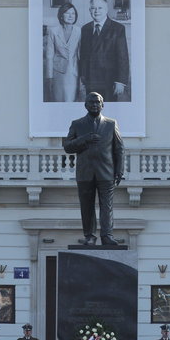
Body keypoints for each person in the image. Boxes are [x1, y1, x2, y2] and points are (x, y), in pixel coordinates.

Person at [63, 91, 124, 246]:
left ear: (102, 105)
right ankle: (90, 236)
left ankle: (106, 235)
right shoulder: (77, 124)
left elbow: (119, 149)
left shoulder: (111, 124)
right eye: (91, 102)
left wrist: (119, 170)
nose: (95, 105)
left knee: (107, 206)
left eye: (98, 102)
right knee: (86, 206)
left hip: (107, 171)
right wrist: (84, 139)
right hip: (85, 172)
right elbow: (68, 147)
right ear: (85, 105)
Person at [78, 0, 130, 102]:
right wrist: (82, 77)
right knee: (92, 111)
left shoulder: (118, 28)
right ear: (89, 10)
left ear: (106, 10)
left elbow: (123, 56)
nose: (96, 11)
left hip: (109, 81)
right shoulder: (85, 29)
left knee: (108, 112)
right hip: (90, 80)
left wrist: (120, 81)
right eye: (93, 8)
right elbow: (83, 55)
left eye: (100, 8)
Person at [44, 2, 82, 102]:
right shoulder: (53, 31)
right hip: (58, 73)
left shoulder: (79, 31)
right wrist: (49, 77)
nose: (71, 16)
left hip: (73, 72)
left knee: (70, 100)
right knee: (58, 100)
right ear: (61, 15)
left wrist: (82, 76)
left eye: (73, 13)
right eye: (67, 13)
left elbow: (81, 55)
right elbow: (49, 56)